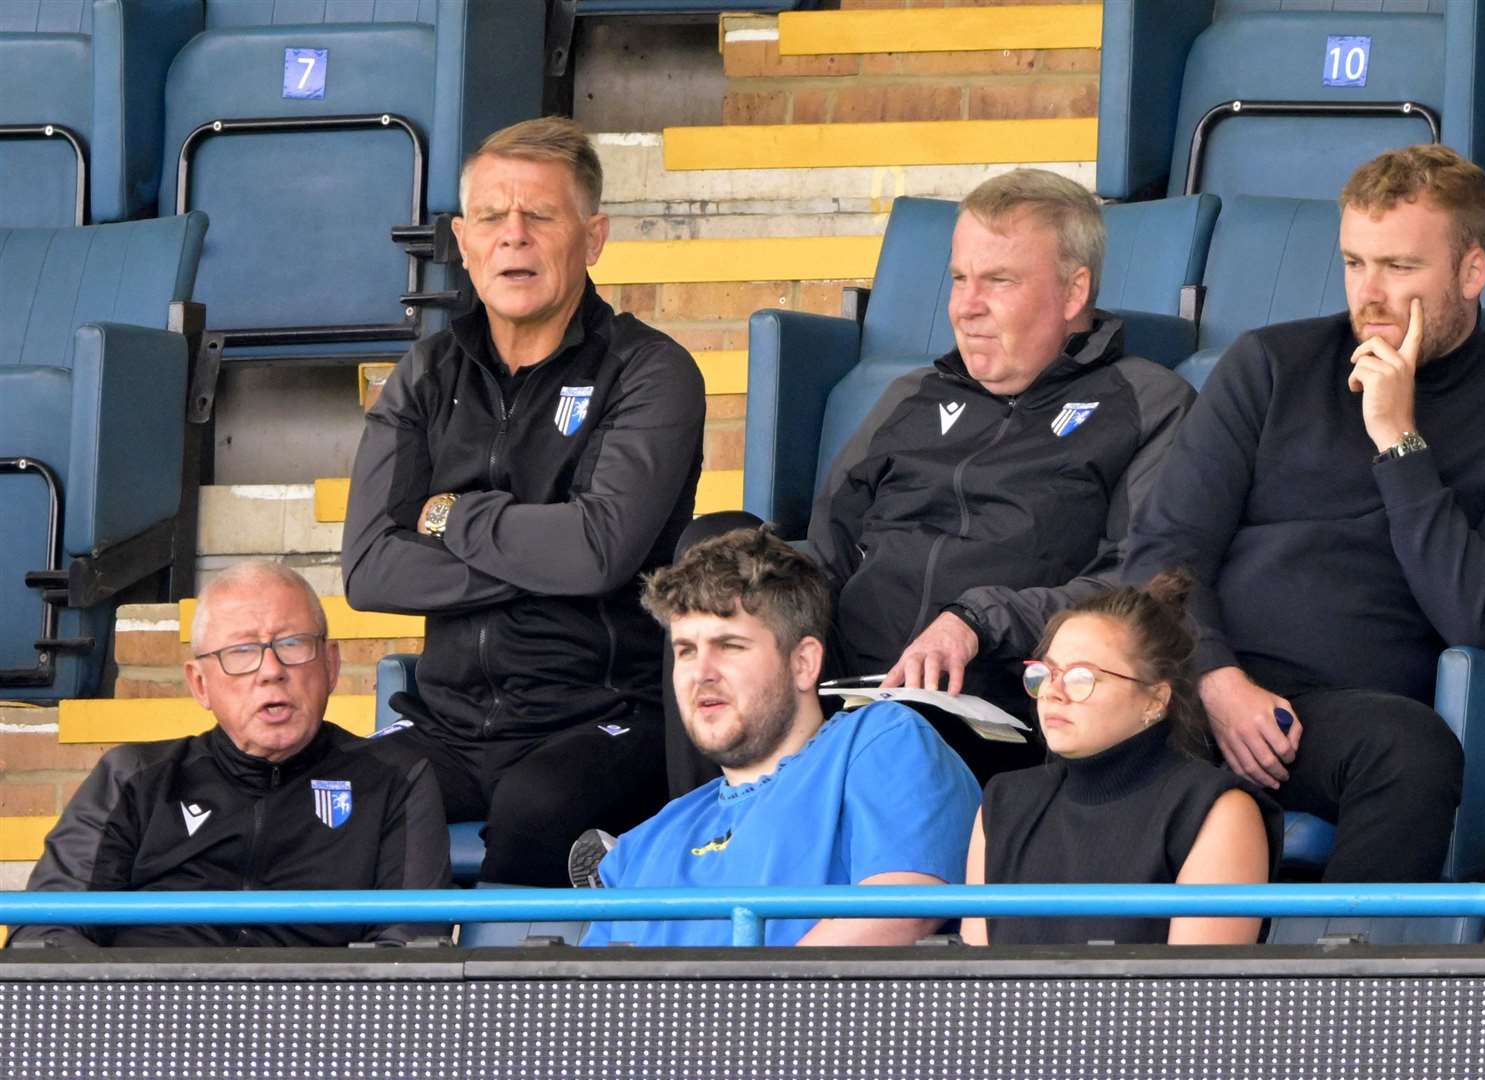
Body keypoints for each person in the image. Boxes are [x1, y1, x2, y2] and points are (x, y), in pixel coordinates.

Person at [1123, 144, 1485, 883]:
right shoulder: (1271, 364)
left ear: (1473, 272)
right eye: (1354, 263)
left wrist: (1398, 441)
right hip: (1198, 689)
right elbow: (1166, 551)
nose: (1369, 294)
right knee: (1052, 697)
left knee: (1410, 751)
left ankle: (1351, 986)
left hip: (1346, 718)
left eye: (1400, 267)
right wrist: (1218, 682)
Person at [670, 169, 1196, 794]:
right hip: (852, 681)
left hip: (1003, 697)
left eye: (998, 281)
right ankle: (695, 832)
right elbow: (828, 555)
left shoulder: (1148, 403)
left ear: (1073, 291)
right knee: (714, 565)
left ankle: (701, 854)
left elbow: (1137, 589)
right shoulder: (912, 397)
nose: (965, 306)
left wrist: (977, 619)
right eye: (958, 279)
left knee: (883, 741)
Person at [342, 117, 706, 886]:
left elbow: (599, 551)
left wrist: (449, 518)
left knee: (537, 809)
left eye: (540, 216)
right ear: (461, 241)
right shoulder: (426, 373)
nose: (514, 237)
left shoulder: (651, 371)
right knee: (329, 802)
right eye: (491, 218)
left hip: (602, 717)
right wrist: (550, 554)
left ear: (593, 237)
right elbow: (370, 570)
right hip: (445, 723)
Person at [9, 562, 451, 948]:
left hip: (318, 1027)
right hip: (146, 1023)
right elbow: (46, 934)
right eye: (242, 652)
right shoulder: (134, 777)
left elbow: (410, 947)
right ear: (200, 683)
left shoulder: (395, 781)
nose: (272, 671)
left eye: (293, 644)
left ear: (331, 665)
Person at [581, 527, 981, 948]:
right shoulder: (642, 846)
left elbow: (902, 908)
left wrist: (735, 1009)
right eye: (686, 651)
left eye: (730, 645)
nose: (702, 673)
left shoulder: (880, 740)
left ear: (804, 662)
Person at [963, 573, 1281, 946]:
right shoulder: (1004, 801)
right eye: (1045, 673)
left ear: (1155, 699)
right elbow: (975, 983)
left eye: (1083, 677)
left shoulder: (1215, 808)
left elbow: (1196, 994)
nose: (1053, 692)